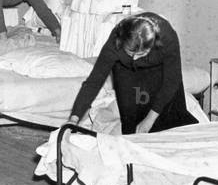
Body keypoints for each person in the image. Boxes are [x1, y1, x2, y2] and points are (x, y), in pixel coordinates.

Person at [67, 12, 197, 134]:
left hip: (158, 69)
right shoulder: (115, 41)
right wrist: (74, 119)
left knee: (171, 117)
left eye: (140, 54)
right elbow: (94, 81)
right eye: (130, 53)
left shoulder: (167, 37)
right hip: (125, 71)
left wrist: (149, 120)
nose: (134, 59)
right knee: (130, 120)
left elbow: (172, 81)